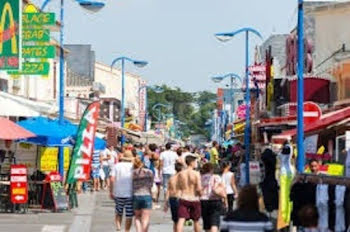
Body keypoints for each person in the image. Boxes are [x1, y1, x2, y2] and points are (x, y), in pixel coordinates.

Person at [110, 150, 134, 232]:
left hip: (118, 192)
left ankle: (118, 227)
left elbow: (112, 179)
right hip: (130, 193)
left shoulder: (117, 166)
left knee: (118, 211)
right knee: (129, 214)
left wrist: (111, 191)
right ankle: (127, 230)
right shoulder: (133, 166)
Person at [176, 155, 202, 232]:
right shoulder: (196, 173)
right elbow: (198, 188)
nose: (196, 164)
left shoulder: (181, 173)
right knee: (196, 221)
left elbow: (179, 187)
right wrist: (201, 195)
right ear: (191, 162)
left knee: (181, 220)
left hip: (184, 197)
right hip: (194, 198)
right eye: (195, 162)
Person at [200, 163, 227, 232]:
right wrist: (225, 200)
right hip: (215, 200)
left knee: (207, 223)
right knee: (214, 223)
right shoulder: (216, 177)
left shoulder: (201, 177)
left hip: (203, 200)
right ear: (211, 169)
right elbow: (222, 189)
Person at [133, 157, 154, 232]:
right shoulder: (149, 172)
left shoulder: (133, 173)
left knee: (137, 217)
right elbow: (151, 184)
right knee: (146, 217)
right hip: (147, 195)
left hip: (136, 195)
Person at [164, 162, 184, 232]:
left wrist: (166, 203)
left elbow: (168, 190)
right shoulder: (182, 178)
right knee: (181, 220)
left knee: (175, 221)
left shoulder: (171, 178)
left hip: (172, 198)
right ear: (181, 169)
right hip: (180, 198)